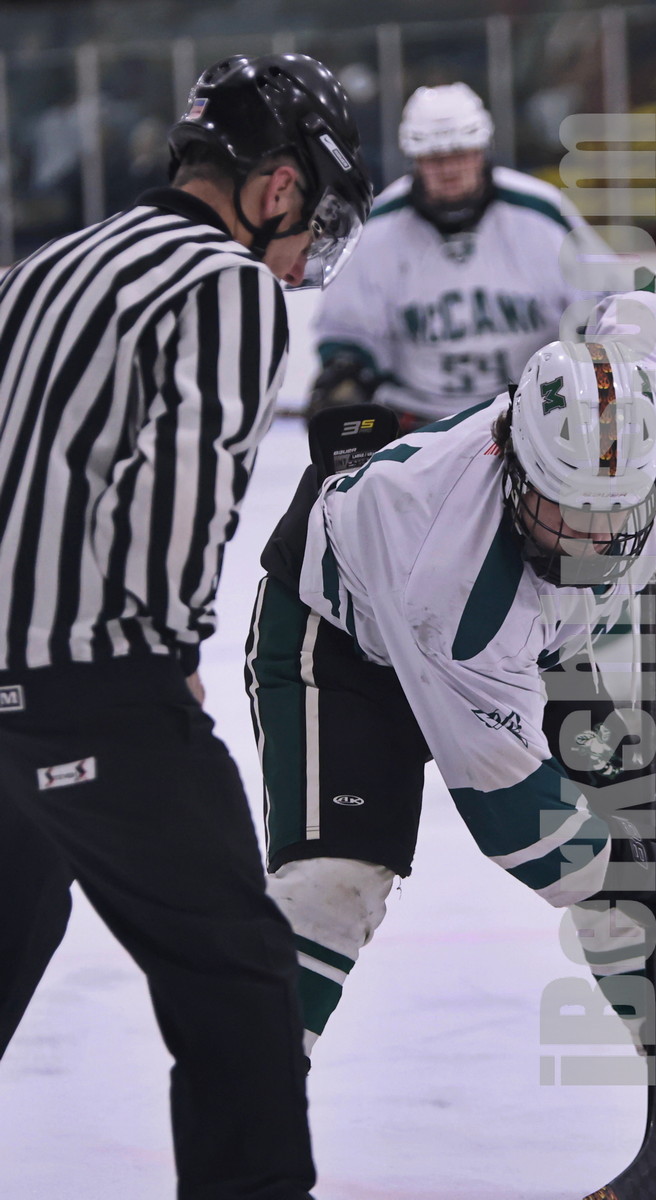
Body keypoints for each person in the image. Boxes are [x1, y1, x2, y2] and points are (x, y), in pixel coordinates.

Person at [0, 52, 371, 1199]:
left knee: (12, 927)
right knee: (237, 981)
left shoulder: (35, 271)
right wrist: (164, 656)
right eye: (317, 223)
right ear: (277, 187)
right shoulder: (224, 286)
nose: (305, 259)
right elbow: (181, 487)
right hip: (92, 688)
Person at [245, 293, 656, 1125]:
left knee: (626, 850)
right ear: (513, 468)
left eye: (616, 513)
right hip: (343, 639)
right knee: (335, 883)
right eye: (566, 511)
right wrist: (650, 869)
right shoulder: (452, 590)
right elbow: (520, 828)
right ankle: (248, 1116)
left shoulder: (647, 415)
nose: (595, 539)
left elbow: (629, 312)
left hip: (537, 633)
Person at [305, 81, 629, 432]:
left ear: (482, 150)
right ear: (414, 159)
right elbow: (347, 332)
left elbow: (610, 304)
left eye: (460, 153)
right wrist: (345, 378)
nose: (449, 170)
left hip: (534, 415)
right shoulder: (379, 228)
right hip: (417, 424)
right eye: (434, 158)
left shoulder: (541, 213)